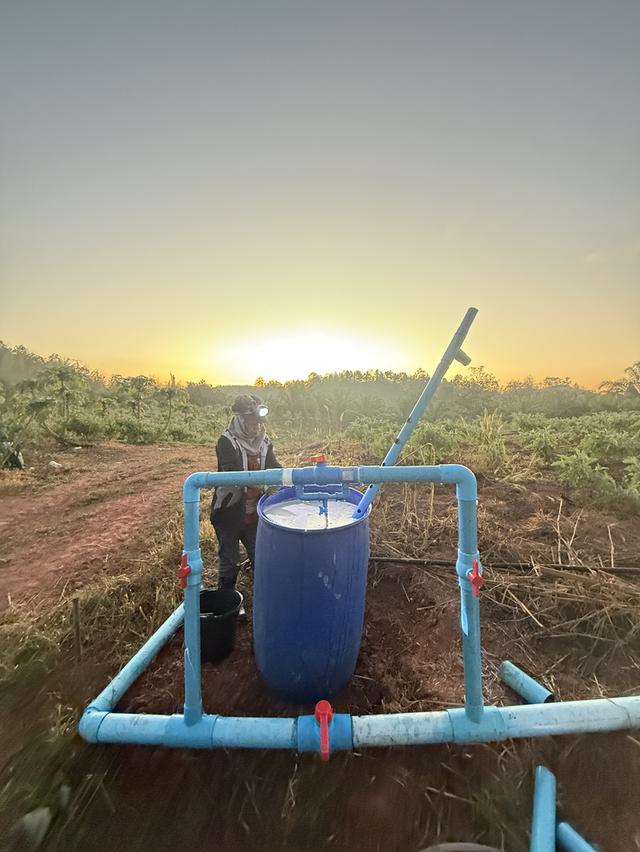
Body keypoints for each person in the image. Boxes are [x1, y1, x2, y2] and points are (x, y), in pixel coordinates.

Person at [210, 394, 281, 616]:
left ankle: (264, 601)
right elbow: (233, 474)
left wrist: (286, 479)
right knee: (230, 561)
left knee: (260, 557)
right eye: (250, 420)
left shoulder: (265, 442)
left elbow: (274, 466)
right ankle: (227, 605)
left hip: (253, 515)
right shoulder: (226, 442)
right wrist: (265, 484)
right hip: (229, 513)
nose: (255, 426)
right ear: (240, 418)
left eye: (258, 421)